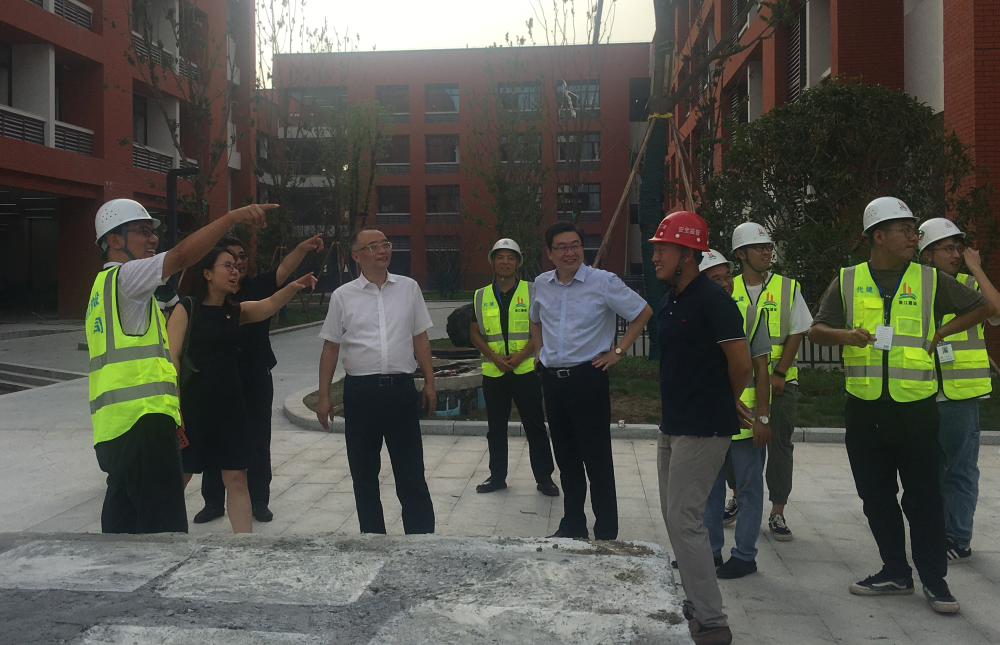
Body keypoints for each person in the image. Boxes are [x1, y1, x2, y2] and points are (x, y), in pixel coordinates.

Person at [809, 197, 994, 614]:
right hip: (865, 408)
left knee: (925, 498)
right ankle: (894, 571)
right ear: (879, 236)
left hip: (916, 409)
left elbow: (983, 307)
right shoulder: (848, 279)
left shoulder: (929, 279)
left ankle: (936, 582)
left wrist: (941, 332)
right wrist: (844, 336)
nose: (915, 237)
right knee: (875, 495)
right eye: (906, 230)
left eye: (914, 230)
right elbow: (817, 329)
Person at [85, 199, 272, 534]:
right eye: (143, 231)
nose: (153, 239)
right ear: (114, 240)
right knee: (164, 533)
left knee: (122, 530)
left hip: (114, 430)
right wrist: (230, 217)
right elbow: (181, 256)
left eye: (152, 231)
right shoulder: (126, 277)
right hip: (143, 425)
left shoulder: (102, 289)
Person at [166, 248, 317, 533]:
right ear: (207, 273)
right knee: (179, 477)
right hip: (193, 408)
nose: (235, 271)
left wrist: (293, 287)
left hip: (230, 407)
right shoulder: (186, 308)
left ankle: (245, 548)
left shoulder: (234, 310)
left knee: (236, 477)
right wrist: (175, 409)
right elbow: (171, 359)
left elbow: (267, 305)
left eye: (236, 266)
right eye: (228, 266)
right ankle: (159, 537)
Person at [652, 212, 750, 645]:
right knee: (675, 519)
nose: (656, 256)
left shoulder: (713, 300)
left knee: (685, 519)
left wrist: (725, 400)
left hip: (703, 427)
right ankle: (695, 602)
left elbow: (741, 363)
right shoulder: (673, 299)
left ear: (688, 255)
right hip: (673, 423)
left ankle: (712, 622)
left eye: (663, 249)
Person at [529, 221, 652, 541]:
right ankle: (573, 525)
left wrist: (619, 351)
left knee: (597, 460)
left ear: (582, 249)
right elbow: (535, 320)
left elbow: (642, 312)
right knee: (566, 458)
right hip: (553, 382)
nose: (569, 252)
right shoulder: (541, 284)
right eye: (561, 247)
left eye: (575, 246)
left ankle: (606, 531)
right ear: (549, 253)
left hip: (588, 378)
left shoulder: (603, 282)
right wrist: (540, 353)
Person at [316, 227, 436, 534]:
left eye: (385, 244)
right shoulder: (343, 296)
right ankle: (372, 539)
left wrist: (430, 382)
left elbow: (420, 337)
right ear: (356, 256)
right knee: (364, 474)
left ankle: (422, 540)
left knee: (411, 473)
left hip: (401, 392)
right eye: (373, 246)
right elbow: (331, 346)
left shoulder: (408, 288)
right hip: (361, 394)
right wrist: (324, 395)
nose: (383, 250)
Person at [918, 217, 1000, 563]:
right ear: (927, 254)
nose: (955, 254)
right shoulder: (916, 287)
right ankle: (937, 531)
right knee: (930, 470)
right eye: (947, 248)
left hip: (961, 395)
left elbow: (996, 311)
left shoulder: (970, 283)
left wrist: (976, 267)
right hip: (921, 392)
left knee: (960, 469)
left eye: (958, 248)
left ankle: (959, 537)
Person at [729, 222, 812, 541]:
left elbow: (797, 331)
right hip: (739, 384)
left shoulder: (788, 287)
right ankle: (737, 497)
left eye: (768, 246)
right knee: (735, 444)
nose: (767, 252)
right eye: (759, 247)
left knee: (779, 447)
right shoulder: (729, 287)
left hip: (780, 382)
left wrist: (780, 372)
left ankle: (777, 511)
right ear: (741, 254)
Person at [699, 249, 772, 580]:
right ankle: (710, 552)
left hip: (746, 420)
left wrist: (763, 418)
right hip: (710, 419)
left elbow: (761, 368)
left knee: (749, 488)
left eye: (727, 276)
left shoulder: (750, 314)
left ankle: (744, 556)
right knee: (710, 489)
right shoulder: (696, 316)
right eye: (716, 278)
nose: (726, 283)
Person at [469, 238, 558, 496]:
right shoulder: (481, 295)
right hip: (494, 372)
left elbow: (541, 327)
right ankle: (497, 477)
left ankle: (544, 479)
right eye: (500, 257)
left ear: (518, 262)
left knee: (535, 426)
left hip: (526, 370)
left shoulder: (532, 291)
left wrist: (521, 356)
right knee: (496, 429)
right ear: (493, 262)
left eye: (510, 257)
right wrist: (494, 357)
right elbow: (474, 333)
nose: (505, 262)